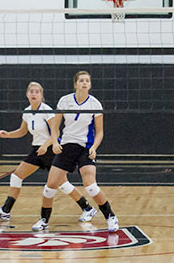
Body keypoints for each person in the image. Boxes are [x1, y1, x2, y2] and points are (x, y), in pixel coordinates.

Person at [33, 71, 118, 232]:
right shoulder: (64, 101)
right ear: (75, 84)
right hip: (67, 146)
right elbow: (55, 127)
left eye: (87, 81)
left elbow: (100, 132)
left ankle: (111, 217)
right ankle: (44, 220)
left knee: (91, 186)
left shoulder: (95, 104)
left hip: (86, 147)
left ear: (90, 85)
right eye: (81, 81)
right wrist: (55, 142)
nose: (84, 83)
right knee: (50, 186)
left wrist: (94, 147)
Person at [0, 82, 55, 222]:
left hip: (50, 150)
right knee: (16, 176)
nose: (34, 94)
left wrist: (45, 146)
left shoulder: (47, 110)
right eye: (31, 91)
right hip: (37, 150)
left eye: (37, 92)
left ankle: (86, 207)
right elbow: (22, 131)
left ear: (41, 95)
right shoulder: (27, 112)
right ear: (27, 94)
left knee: (62, 184)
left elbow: (56, 133)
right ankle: (5, 211)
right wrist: (8, 134)